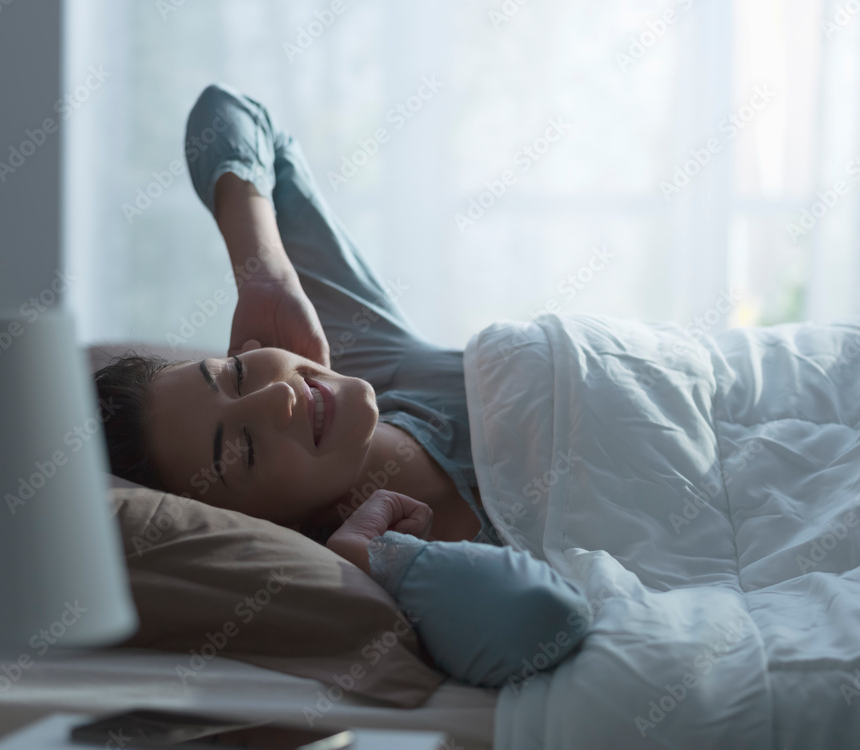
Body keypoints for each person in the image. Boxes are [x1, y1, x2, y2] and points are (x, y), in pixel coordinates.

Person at [95, 83, 591, 688]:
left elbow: (231, 111)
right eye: (243, 449)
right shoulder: (386, 580)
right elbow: (544, 620)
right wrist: (390, 560)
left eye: (237, 373)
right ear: (272, 525)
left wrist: (264, 273)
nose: (277, 396)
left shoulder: (365, 353)